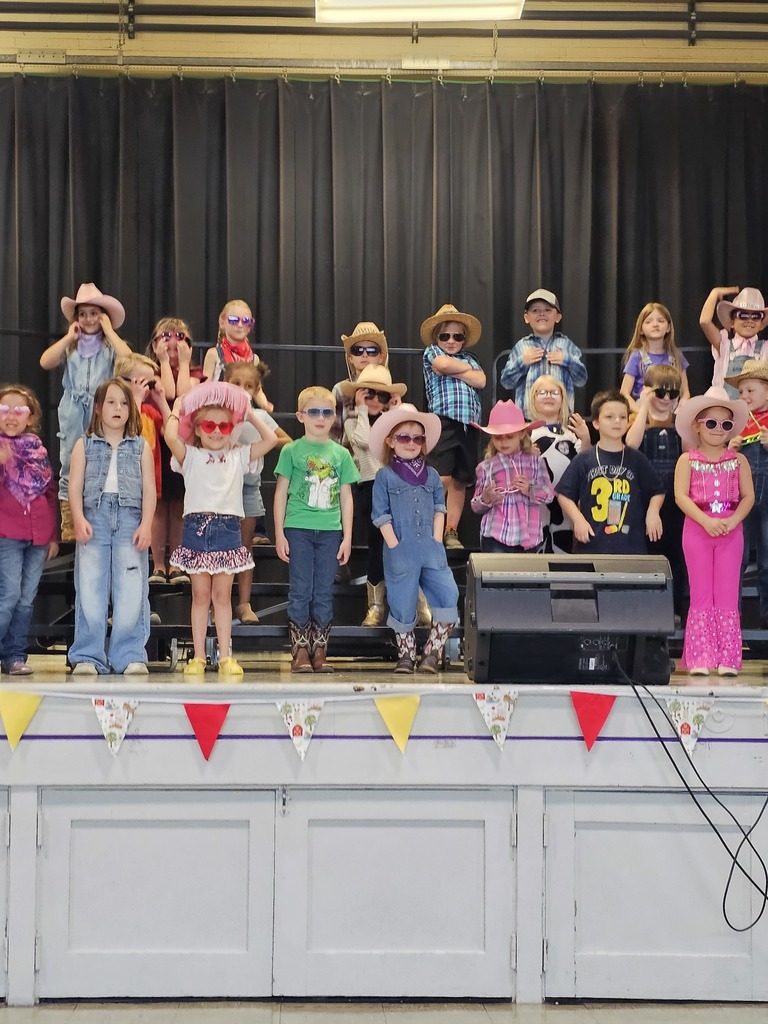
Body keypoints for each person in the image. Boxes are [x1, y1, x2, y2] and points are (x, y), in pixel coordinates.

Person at [164, 381, 277, 678]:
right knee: (200, 595)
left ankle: (226, 655)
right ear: (199, 429)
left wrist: (248, 414)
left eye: (224, 427)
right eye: (210, 425)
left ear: (232, 429)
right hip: (197, 528)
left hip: (228, 528)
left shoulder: (239, 456)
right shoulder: (190, 456)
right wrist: (178, 409)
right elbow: (170, 437)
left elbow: (271, 440)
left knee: (223, 597)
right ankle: (199, 656)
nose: (216, 431)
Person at [67, 379, 156, 676]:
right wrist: (78, 518)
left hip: (130, 518)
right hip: (95, 516)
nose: (118, 408)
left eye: (124, 403)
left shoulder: (141, 446)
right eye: (111, 402)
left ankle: (129, 654)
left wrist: (146, 524)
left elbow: (149, 489)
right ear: (97, 408)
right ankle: (87, 655)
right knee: (90, 587)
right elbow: (75, 485)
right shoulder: (84, 444)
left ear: (131, 409)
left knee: (131, 587)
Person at [274, 386, 360, 673]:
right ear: (301, 416)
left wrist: (347, 536)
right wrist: (279, 533)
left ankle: (320, 650)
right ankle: (299, 651)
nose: (320, 418)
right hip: (298, 527)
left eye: (326, 412)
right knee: (300, 590)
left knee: (323, 591)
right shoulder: (291, 450)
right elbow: (280, 494)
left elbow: (347, 497)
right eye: (313, 412)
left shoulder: (341, 454)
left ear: (333, 416)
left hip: (329, 531)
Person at [370, 403, 460, 674]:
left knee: (448, 594)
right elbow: (380, 514)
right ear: (390, 441)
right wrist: (395, 544)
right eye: (403, 437)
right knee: (402, 601)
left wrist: (436, 539)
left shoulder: (431, 475)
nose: (411, 443)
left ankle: (431, 653)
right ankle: (406, 656)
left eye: (418, 438)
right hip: (401, 550)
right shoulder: (385, 476)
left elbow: (439, 508)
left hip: (431, 549)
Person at [40, 283, 132, 541]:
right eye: (83, 314)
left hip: (101, 409)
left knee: (100, 459)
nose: (89, 319)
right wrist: (69, 337)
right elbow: (45, 361)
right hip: (73, 411)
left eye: (95, 313)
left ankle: (96, 515)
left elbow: (129, 362)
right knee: (70, 459)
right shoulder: (71, 345)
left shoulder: (110, 345)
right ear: (75, 319)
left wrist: (110, 332)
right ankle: (69, 519)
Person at [674, 387, 753, 676]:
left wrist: (733, 521)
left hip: (731, 531)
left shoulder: (738, 461)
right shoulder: (687, 460)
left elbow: (748, 497)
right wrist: (705, 521)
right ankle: (700, 657)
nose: (718, 429)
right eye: (711, 423)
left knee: (727, 592)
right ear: (697, 425)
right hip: (697, 529)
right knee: (701, 592)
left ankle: (728, 658)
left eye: (726, 424)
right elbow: (681, 496)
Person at [222, 361, 291, 624]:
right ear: (225, 383)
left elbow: (286, 441)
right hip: (220, 488)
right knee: (221, 547)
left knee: (244, 546)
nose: (242, 390)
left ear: (257, 389)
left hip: (249, 487)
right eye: (236, 384)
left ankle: (244, 603)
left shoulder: (260, 417)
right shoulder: (216, 415)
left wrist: (257, 443)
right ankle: (221, 602)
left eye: (248, 386)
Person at [555, 391, 664, 554]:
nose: (617, 421)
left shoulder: (636, 459)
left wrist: (653, 512)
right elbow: (564, 494)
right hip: (591, 545)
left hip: (630, 547)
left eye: (622, 417)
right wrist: (578, 520)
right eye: (609, 417)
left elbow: (657, 490)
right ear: (596, 423)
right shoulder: (584, 459)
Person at [339, 364, 407, 625]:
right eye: (369, 394)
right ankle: (376, 606)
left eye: (382, 395)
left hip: (398, 487)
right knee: (377, 546)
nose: (376, 401)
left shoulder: (397, 421)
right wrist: (362, 410)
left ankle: (410, 601)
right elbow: (367, 441)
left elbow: (404, 444)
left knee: (401, 545)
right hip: (370, 486)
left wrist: (397, 411)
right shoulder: (354, 421)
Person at [0, 385, 59, 675]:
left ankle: (14, 656)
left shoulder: (37, 449)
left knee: (25, 600)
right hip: (7, 535)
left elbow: (50, 493)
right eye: (4, 410)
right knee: (8, 596)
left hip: (39, 535)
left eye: (19, 410)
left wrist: (53, 536)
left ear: (30, 416)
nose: (11, 416)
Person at [420, 303, 486, 550]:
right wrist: (465, 370)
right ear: (437, 337)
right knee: (440, 477)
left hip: (469, 425)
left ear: (464, 339)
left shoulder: (471, 358)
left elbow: (481, 381)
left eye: (457, 336)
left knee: (460, 479)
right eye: (445, 336)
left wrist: (464, 368)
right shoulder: (432, 352)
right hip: (444, 422)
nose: (450, 341)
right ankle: (429, 527)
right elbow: (442, 365)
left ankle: (451, 530)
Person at [625, 365, 687, 619]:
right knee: (646, 553)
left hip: (676, 498)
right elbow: (631, 444)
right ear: (648, 391)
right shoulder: (636, 419)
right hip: (644, 497)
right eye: (661, 393)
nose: (667, 400)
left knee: (674, 555)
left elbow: (689, 448)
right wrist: (642, 409)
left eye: (673, 395)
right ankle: (646, 611)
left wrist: (682, 416)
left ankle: (673, 609)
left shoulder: (680, 422)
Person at [145, 318, 201, 584]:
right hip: (156, 446)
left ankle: (176, 563)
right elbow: (166, 390)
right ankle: (158, 564)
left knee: (179, 506)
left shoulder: (196, 374)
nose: (173, 341)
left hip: (183, 446)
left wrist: (184, 362)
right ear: (155, 344)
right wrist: (165, 362)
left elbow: (181, 394)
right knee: (157, 506)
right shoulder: (149, 371)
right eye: (166, 336)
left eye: (180, 336)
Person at [470, 400, 554, 553]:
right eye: (498, 437)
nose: (503, 442)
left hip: (530, 536)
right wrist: (486, 498)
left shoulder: (535, 462)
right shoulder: (486, 467)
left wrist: (530, 489)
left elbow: (549, 495)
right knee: (496, 577)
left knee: (527, 576)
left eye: (509, 437)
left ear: (521, 434)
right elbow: (475, 506)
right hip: (496, 536)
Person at [725, 360, 768, 628]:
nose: (744, 397)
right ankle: (732, 616)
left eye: (750, 391)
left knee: (767, 559)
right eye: (741, 393)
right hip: (740, 499)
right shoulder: (737, 423)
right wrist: (731, 449)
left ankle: (766, 618)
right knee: (735, 558)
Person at [527, 374, 591, 555]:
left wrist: (585, 438)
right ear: (533, 399)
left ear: (563, 398)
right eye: (542, 392)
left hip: (565, 506)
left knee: (563, 552)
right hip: (536, 506)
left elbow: (586, 465)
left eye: (554, 392)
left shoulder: (570, 435)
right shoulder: (526, 433)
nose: (548, 396)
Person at [500, 288, 587, 416]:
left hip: (560, 419)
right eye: (535, 310)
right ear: (526, 317)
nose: (542, 314)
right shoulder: (521, 347)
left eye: (548, 310)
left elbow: (581, 379)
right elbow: (506, 382)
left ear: (558, 317)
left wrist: (566, 360)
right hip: (528, 419)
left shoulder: (567, 345)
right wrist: (522, 362)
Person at [202, 299, 273, 411]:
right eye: (233, 320)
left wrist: (265, 404)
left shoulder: (254, 359)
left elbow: (257, 390)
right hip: (219, 411)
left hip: (245, 412)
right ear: (222, 322)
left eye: (246, 321)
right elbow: (204, 388)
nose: (240, 325)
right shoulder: (214, 354)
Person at [620, 302, 690, 412]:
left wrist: (679, 411)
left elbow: (685, 393)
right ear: (641, 329)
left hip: (671, 410)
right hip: (644, 411)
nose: (655, 324)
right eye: (648, 322)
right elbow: (624, 393)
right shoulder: (637, 357)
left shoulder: (676, 356)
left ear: (668, 328)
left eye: (661, 321)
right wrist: (640, 413)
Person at [700, 286, 768, 397]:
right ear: (732, 322)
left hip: (753, 412)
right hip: (724, 409)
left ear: (761, 324)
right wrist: (714, 293)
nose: (749, 320)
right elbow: (704, 322)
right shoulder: (724, 345)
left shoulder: (765, 348)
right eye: (743, 315)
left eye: (756, 316)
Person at [332, 321, 389, 442]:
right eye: (358, 350)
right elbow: (334, 434)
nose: (364, 355)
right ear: (350, 358)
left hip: (379, 458)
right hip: (346, 457)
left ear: (381, 358)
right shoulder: (340, 389)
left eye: (372, 350)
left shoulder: (387, 388)